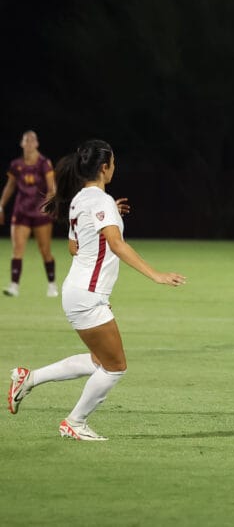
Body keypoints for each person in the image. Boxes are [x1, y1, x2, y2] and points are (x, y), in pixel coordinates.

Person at [7, 139, 186, 440]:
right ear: (105, 167)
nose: (115, 167)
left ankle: (30, 378)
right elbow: (116, 245)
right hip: (86, 295)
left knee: (98, 361)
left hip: (79, 291)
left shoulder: (80, 200)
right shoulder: (100, 202)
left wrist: (110, 214)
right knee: (115, 368)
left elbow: (74, 247)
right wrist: (156, 275)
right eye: (113, 163)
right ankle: (75, 422)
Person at [0, 130, 59, 298]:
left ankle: (52, 285)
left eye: (32, 140)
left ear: (37, 144)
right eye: (26, 140)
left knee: (45, 250)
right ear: (22, 143)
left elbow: (51, 188)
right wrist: (1, 206)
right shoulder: (16, 164)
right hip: (21, 211)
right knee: (17, 249)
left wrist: (48, 205)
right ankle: (14, 286)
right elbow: (10, 186)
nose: (30, 143)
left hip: (40, 213)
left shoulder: (44, 163)